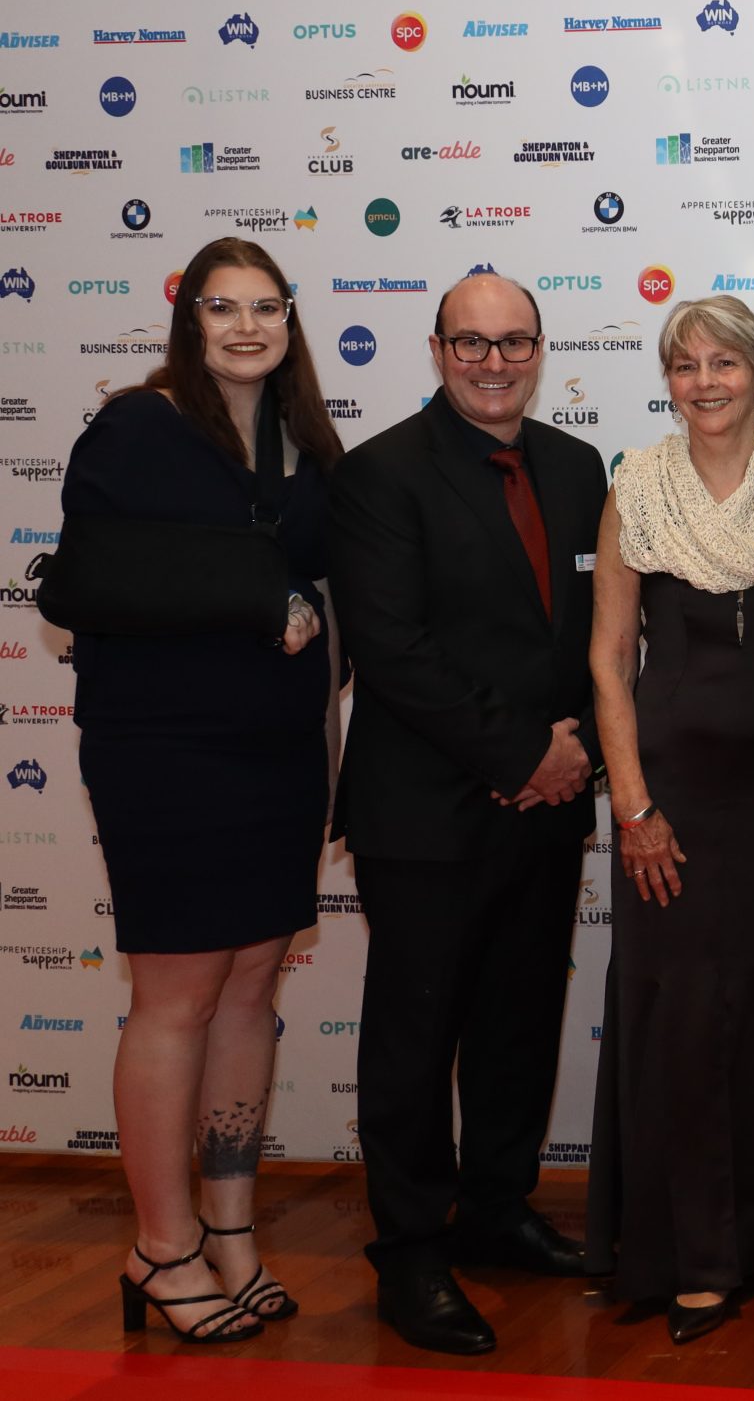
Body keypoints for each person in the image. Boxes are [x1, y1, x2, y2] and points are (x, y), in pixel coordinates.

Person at [60, 239, 341, 1344]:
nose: (245, 327)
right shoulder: (139, 425)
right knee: (176, 995)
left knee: (250, 988)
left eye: (265, 307)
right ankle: (160, 1246)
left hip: (280, 751)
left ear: (289, 321)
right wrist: (256, 596)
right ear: (191, 322)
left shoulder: (306, 441)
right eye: (222, 308)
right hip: (165, 753)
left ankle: (230, 1233)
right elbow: (85, 580)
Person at [330, 272, 607, 1357]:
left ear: (540, 349)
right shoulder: (381, 473)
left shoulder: (577, 467)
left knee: (517, 1024)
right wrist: (520, 754)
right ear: (438, 349)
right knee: (416, 1038)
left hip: (547, 805)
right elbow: (392, 649)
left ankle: (496, 1209)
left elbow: (596, 635)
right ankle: (409, 1251)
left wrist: (568, 754)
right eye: (472, 343)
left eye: (515, 342)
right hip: (427, 815)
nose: (495, 363)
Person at [584, 296, 754, 1345]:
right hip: (670, 800)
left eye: (725, 362)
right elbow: (608, 659)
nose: (706, 382)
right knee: (681, 1022)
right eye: (686, 365)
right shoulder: (636, 486)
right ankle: (691, 1256)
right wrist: (632, 803)